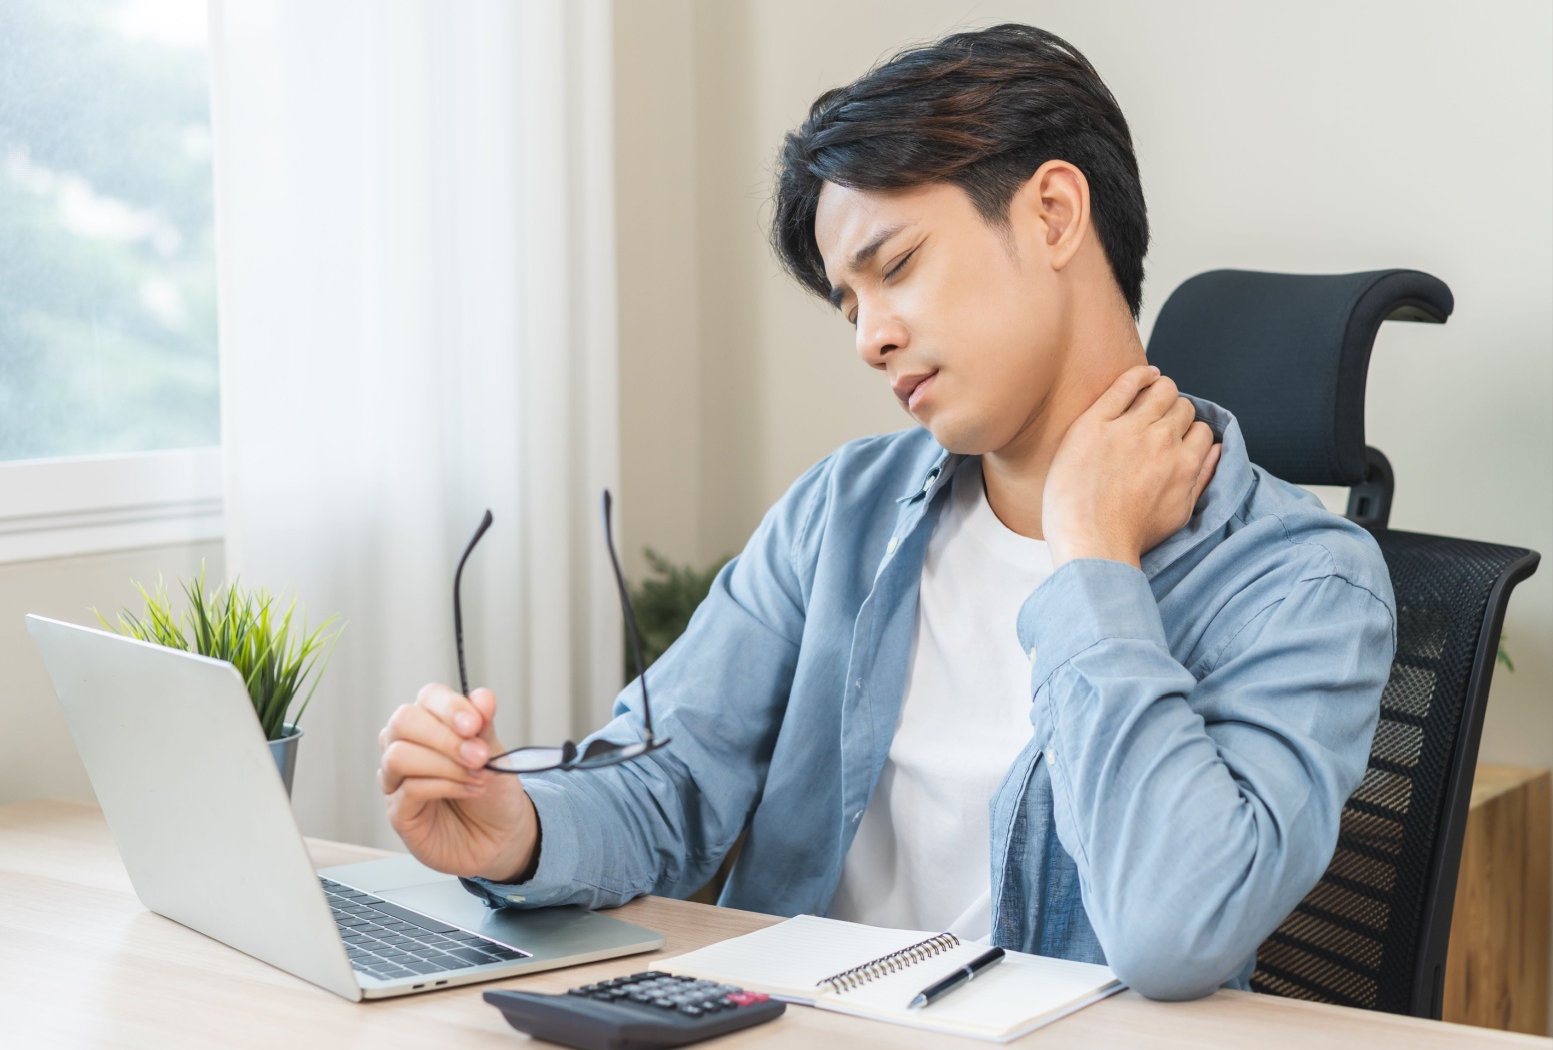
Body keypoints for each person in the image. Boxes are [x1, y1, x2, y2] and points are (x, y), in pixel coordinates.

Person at [376, 24, 1394, 1000]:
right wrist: (519, 828)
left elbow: (1175, 932)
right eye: (848, 303)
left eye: (896, 267)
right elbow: (672, 773)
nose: (869, 337)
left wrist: (1092, 562)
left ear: (1051, 214)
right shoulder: (842, 511)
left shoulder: (1302, 583)